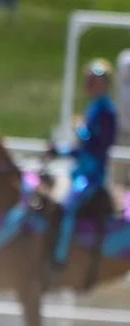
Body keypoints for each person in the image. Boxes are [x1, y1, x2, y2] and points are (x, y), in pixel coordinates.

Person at [54, 59, 117, 268]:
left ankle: (60, 258)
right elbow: (84, 148)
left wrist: (80, 130)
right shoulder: (95, 108)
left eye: (92, 80)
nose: (88, 84)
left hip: (91, 176)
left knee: (68, 207)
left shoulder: (106, 111)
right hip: (81, 171)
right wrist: (60, 151)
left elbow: (98, 147)